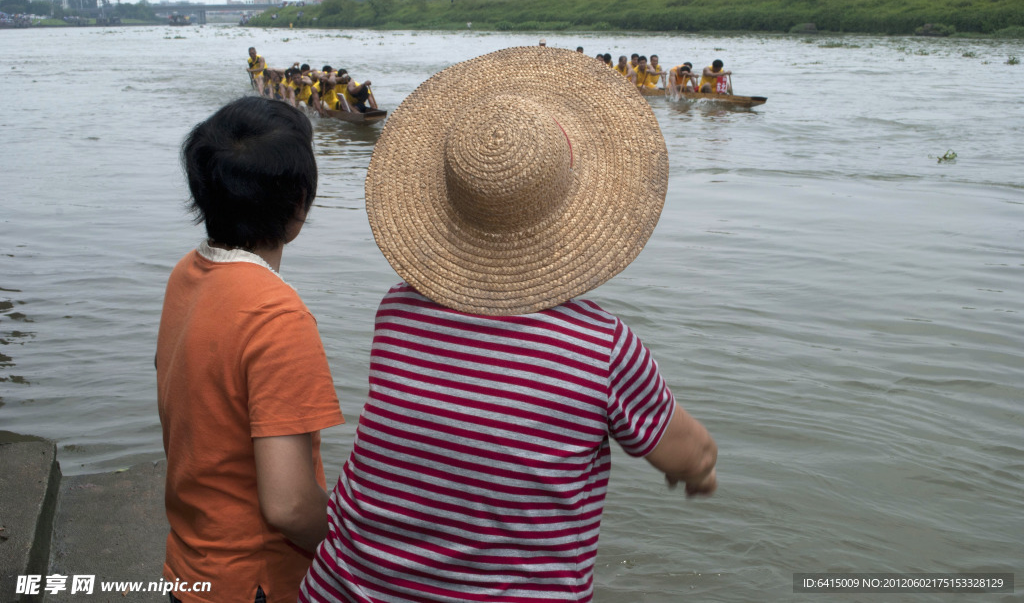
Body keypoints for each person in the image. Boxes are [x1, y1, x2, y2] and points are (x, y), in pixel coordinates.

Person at [300, 47, 717, 603]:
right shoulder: (601, 349)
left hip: (341, 590)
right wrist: (695, 471)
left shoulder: (396, 312)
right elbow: (690, 452)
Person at [157, 97, 345, 603]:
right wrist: (352, 549)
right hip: (255, 582)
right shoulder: (277, 317)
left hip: (190, 567)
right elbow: (287, 506)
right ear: (300, 204)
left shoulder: (186, 274)